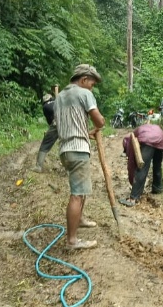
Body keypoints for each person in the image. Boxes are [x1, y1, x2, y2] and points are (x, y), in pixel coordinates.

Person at [55, 64, 105, 250]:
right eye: (91, 83)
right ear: (84, 80)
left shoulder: (60, 97)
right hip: (78, 149)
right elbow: (99, 120)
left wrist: (86, 132)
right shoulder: (84, 94)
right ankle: (72, 241)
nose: (92, 87)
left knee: (81, 189)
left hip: (65, 149)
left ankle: (80, 219)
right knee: (77, 194)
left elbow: (70, 121)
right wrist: (101, 122)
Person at [119, 124, 163, 207]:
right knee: (157, 165)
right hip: (160, 136)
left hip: (148, 139)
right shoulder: (141, 130)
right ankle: (157, 188)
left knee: (141, 167)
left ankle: (133, 198)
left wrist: (132, 179)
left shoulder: (130, 140)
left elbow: (132, 163)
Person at [31, 93, 58, 173]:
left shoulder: (45, 107)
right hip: (68, 123)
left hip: (56, 123)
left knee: (45, 145)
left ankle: (38, 166)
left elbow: (49, 121)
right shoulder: (57, 101)